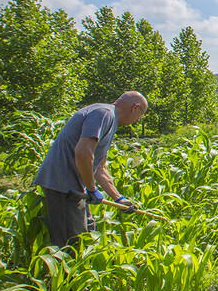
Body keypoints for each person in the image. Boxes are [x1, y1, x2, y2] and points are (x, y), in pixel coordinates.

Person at [32, 91, 148, 248]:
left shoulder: (110, 119)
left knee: (89, 234)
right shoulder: (103, 114)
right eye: (140, 115)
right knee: (72, 242)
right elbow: (83, 152)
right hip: (63, 185)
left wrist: (118, 198)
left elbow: (99, 167)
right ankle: (65, 272)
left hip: (75, 186)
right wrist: (92, 189)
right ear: (135, 107)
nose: (138, 120)